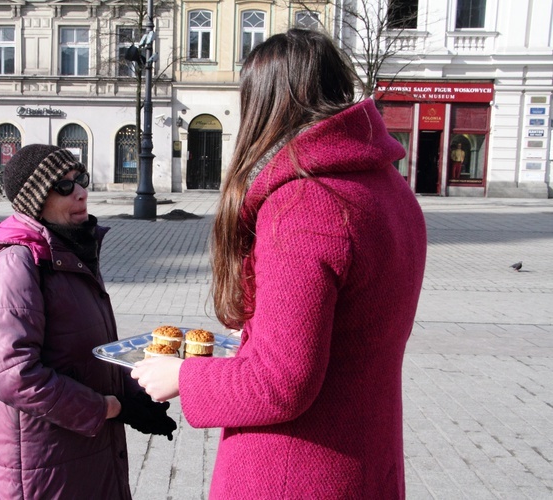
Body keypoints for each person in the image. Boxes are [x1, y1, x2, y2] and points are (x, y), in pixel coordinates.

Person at [131, 29, 427, 499]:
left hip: (298, 469)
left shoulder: (307, 201)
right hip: (365, 456)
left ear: (264, 105)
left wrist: (183, 376)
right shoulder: (388, 187)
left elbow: (281, 382)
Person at [0, 144, 176, 499]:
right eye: (64, 186)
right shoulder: (17, 263)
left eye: (80, 179)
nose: (81, 192)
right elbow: (15, 375)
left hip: (80, 451)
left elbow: (85, 352)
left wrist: (132, 393)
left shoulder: (68, 252)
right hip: (42, 462)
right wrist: (108, 408)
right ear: (36, 200)